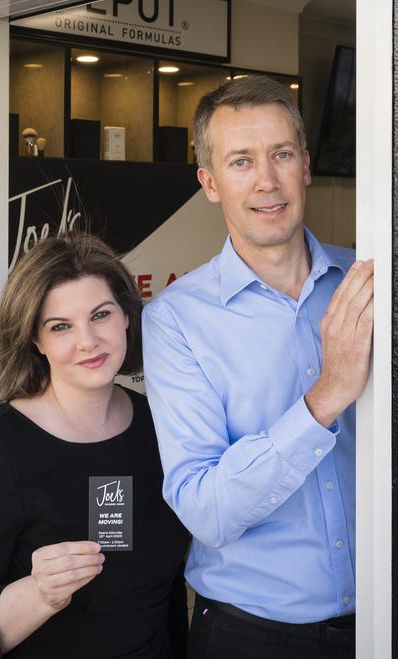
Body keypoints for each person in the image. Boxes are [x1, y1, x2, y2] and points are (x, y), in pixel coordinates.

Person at [142, 76, 373, 659]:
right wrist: (324, 400)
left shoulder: (368, 285)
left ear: (307, 167)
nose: (267, 181)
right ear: (210, 183)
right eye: (241, 161)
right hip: (252, 637)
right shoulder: (176, 321)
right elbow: (204, 509)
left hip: (383, 615)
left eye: (282, 154)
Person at [0, 233, 189, 658]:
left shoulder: (164, 424)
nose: (88, 341)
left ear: (126, 317)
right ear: (35, 340)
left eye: (100, 315)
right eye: (60, 326)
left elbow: (168, 593)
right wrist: (40, 593)